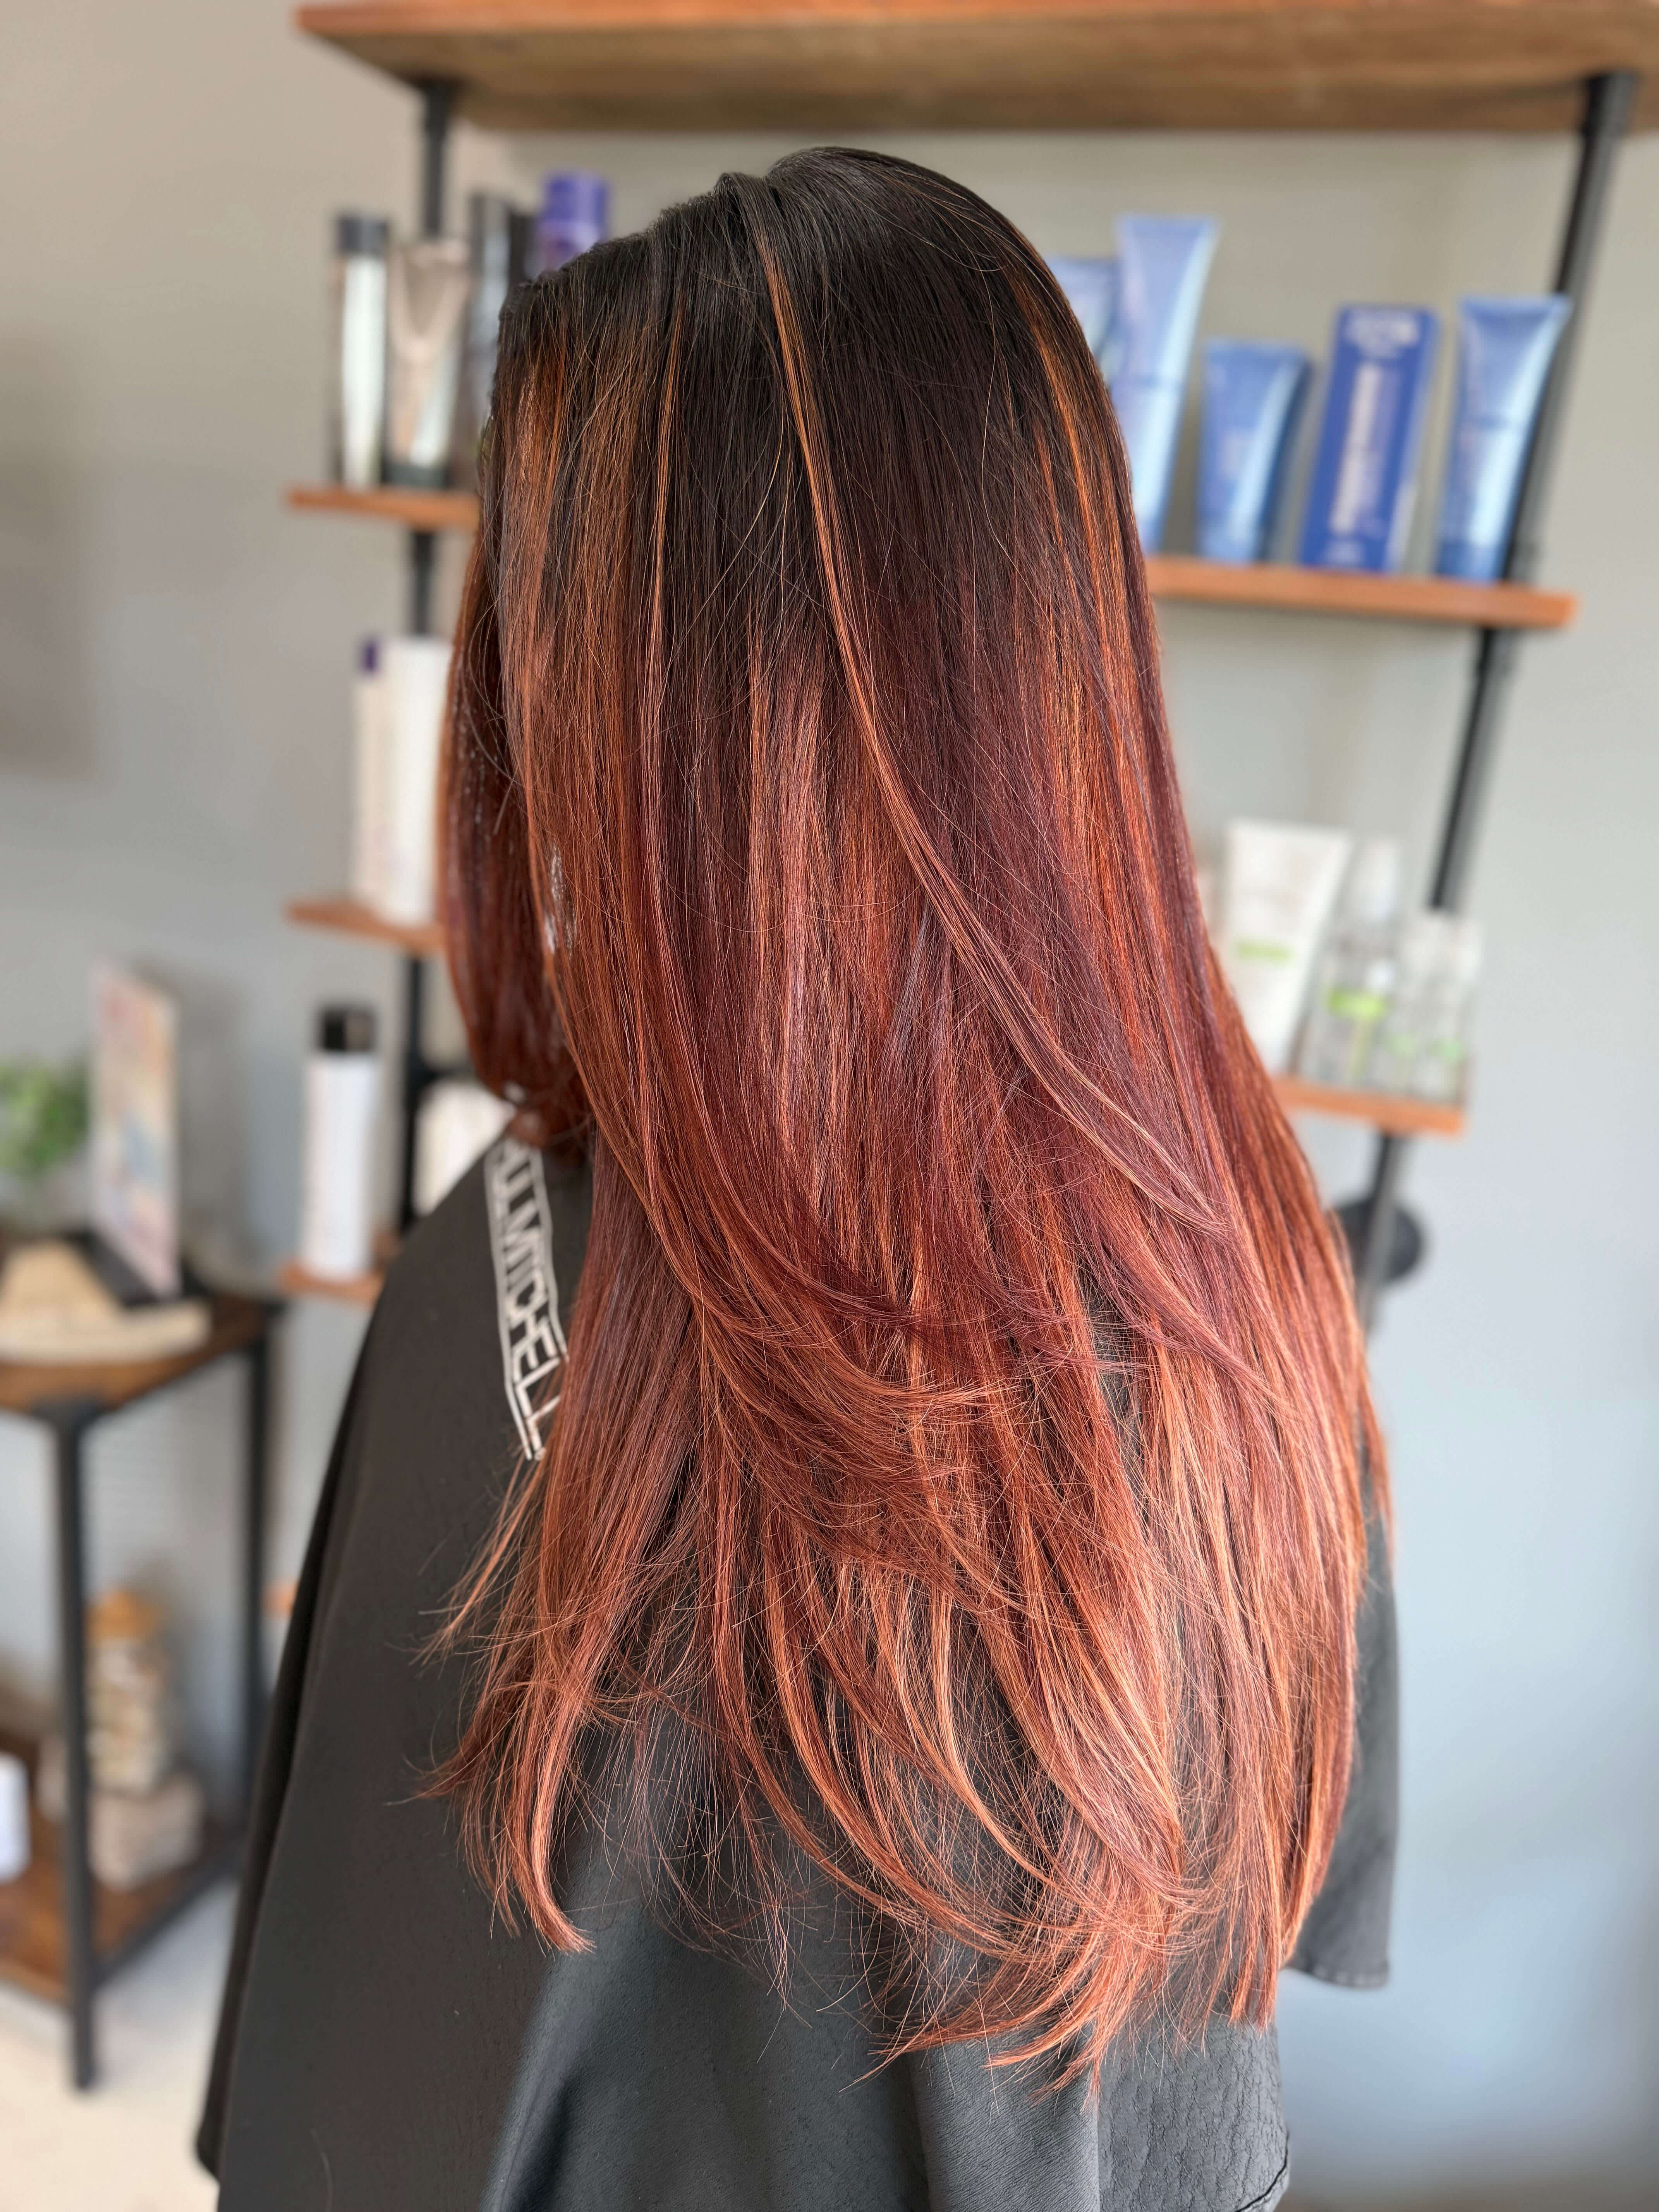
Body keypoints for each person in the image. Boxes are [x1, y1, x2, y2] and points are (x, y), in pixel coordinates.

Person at [199, 149, 1396, 2212]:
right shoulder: (1254, 1280)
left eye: (551, 623)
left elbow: (364, 2086)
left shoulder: (510, 1260)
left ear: (659, 721)